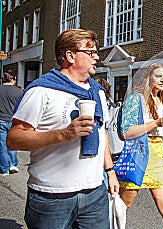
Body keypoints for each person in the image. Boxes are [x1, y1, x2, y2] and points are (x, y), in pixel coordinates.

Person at [6, 29, 119, 229]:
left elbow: (101, 133)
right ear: (70, 55)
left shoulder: (97, 92)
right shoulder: (41, 90)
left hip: (95, 193)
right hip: (51, 196)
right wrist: (63, 134)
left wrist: (109, 171)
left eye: (96, 52)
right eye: (90, 52)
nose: (97, 57)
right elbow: (14, 138)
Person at [118, 62, 163, 228]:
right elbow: (126, 132)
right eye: (158, 76)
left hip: (157, 158)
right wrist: (156, 123)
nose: (162, 80)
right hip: (139, 156)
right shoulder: (136, 98)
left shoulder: (161, 102)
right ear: (148, 77)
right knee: (121, 208)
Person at [0, 70, 22, 176]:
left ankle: (4, 169)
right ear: (13, 79)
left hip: (1, 119)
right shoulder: (18, 91)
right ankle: (13, 164)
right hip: (13, 120)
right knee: (12, 143)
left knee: (2, 144)